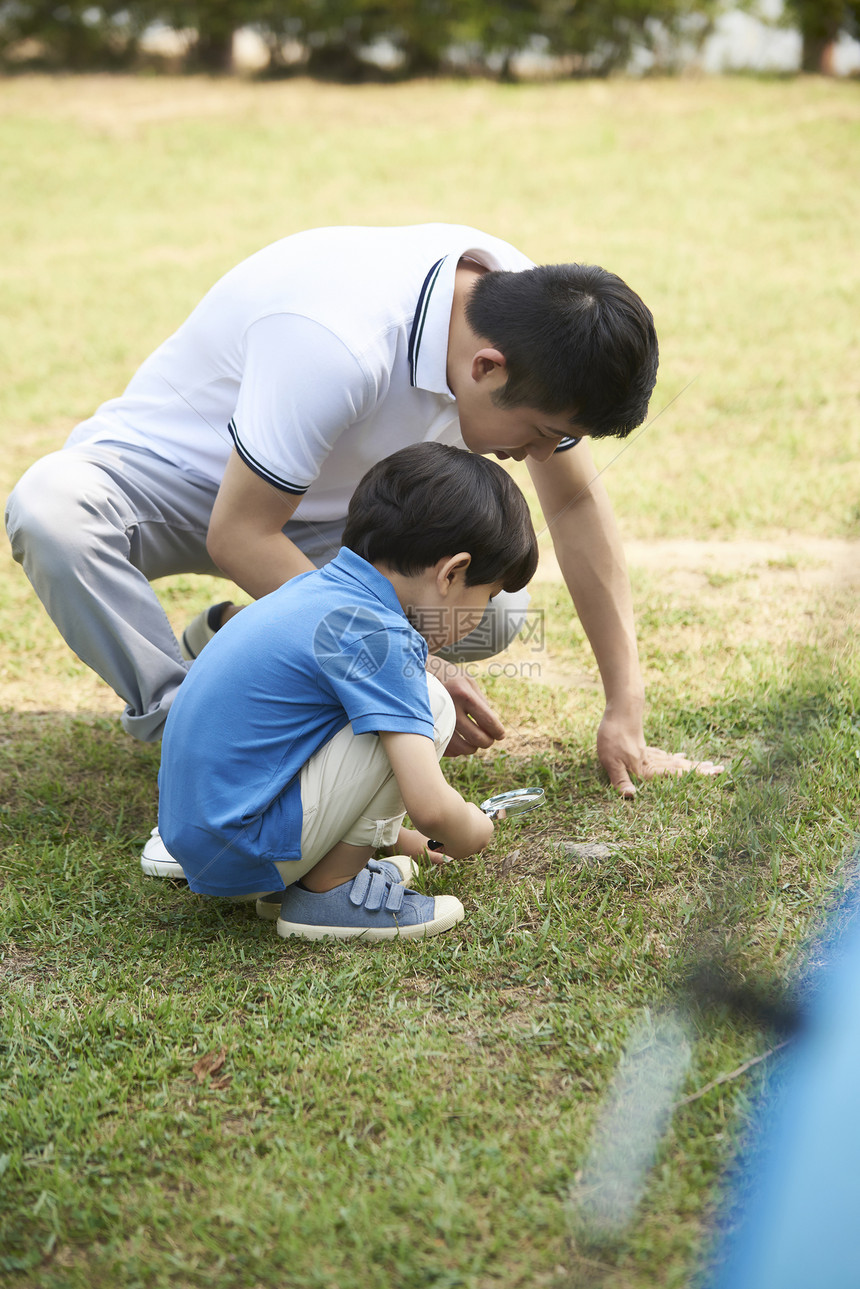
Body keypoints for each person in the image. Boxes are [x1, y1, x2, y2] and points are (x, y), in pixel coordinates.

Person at [4, 223, 720, 880]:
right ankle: (184, 722)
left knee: (495, 609)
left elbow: (573, 502)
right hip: (177, 484)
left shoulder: (540, 313)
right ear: (487, 367)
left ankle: (236, 640)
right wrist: (412, 667)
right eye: (537, 433)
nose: (533, 455)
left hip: (335, 521)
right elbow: (241, 532)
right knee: (51, 512)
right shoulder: (339, 336)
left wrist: (625, 704)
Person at [158, 442, 538, 941]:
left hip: (205, 842)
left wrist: (401, 840)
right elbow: (431, 806)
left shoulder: (312, 591)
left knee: (374, 712)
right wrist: (472, 829)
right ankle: (327, 892)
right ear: (452, 573)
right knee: (432, 699)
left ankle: (308, 874)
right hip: (246, 846)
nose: (480, 617)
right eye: (486, 598)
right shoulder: (381, 635)